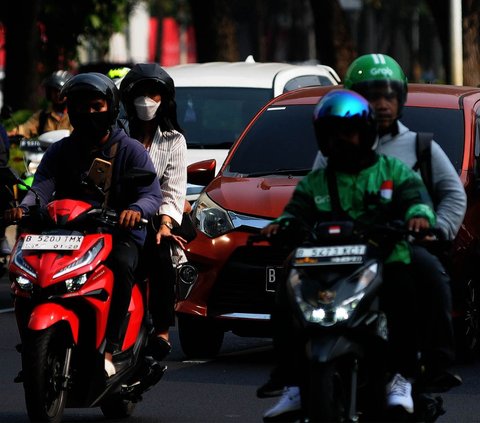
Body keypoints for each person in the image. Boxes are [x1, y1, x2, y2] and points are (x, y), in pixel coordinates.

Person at [261, 54, 465, 420]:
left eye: (388, 95)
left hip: (394, 246)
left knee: (425, 276)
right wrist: (286, 226)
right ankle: (292, 378)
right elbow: (306, 203)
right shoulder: (329, 159)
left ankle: (428, 367)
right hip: (335, 251)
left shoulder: (416, 149)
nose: (381, 104)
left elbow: (441, 195)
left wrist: (431, 227)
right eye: (371, 96)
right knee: (287, 283)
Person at [4, 72, 162, 377]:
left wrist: (134, 210)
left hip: (117, 233)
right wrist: (23, 210)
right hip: (66, 235)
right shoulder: (60, 150)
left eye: (96, 106)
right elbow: (40, 189)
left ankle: (111, 348)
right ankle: (32, 347)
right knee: (26, 275)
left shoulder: (130, 150)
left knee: (121, 266)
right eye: (79, 106)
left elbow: (151, 194)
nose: (88, 113)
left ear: (111, 108)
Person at [119, 63, 189, 360]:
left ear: (165, 100)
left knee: (161, 255)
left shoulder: (174, 141)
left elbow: (174, 189)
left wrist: (165, 225)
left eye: (154, 94)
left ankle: (161, 330)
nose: (147, 101)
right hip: (117, 214)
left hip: (154, 218)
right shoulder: (117, 135)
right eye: (141, 94)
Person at [8, 70, 73, 138]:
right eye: (54, 90)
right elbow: (25, 129)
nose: (58, 94)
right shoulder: (42, 116)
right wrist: (8, 134)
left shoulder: (76, 115)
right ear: (49, 92)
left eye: (60, 91)